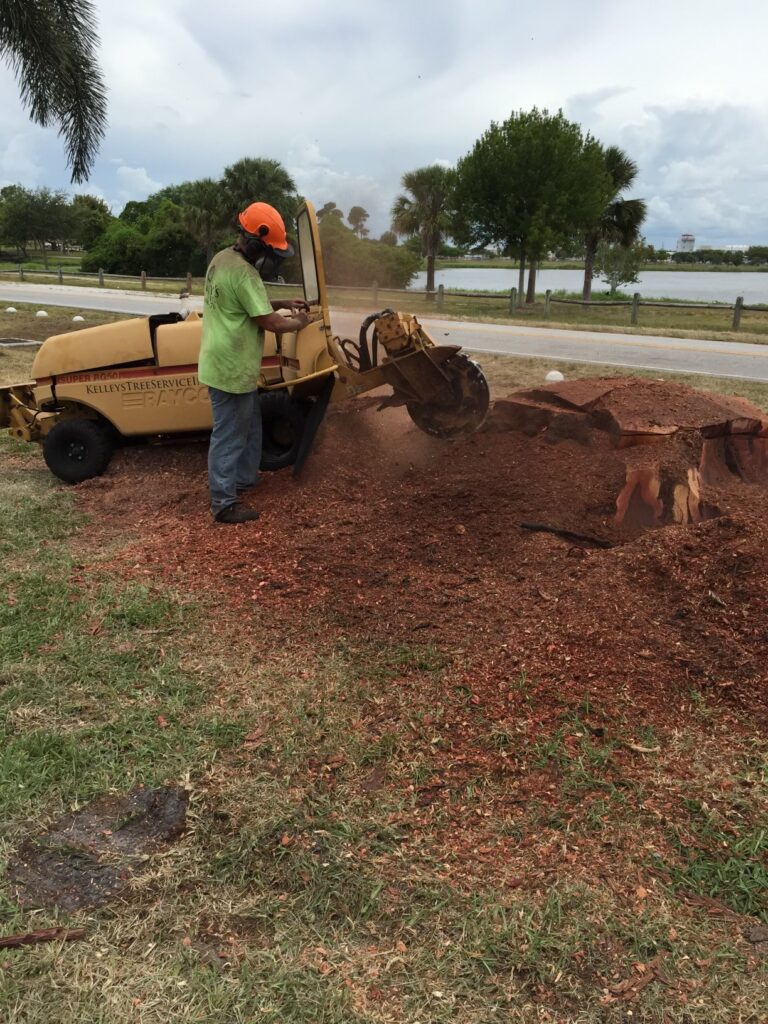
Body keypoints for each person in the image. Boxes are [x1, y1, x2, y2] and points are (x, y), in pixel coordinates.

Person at [198, 202, 310, 524]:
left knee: (249, 425)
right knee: (230, 434)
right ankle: (223, 502)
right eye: (272, 253)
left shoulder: (222, 259)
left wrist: (284, 302)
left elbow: (247, 303)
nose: (272, 261)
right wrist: (299, 322)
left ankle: (244, 479)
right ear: (258, 244)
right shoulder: (244, 272)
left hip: (223, 362)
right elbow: (270, 322)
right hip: (230, 366)